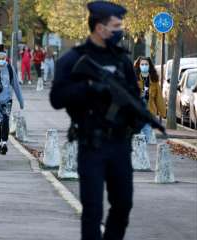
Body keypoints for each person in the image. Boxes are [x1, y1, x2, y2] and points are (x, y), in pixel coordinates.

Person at [49, 2, 145, 240]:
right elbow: (57, 98)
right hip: (91, 143)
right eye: (116, 26)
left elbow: (134, 96)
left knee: (123, 204)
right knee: (92, 210)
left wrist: (139, 118)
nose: (119, 30)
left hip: (120, 145)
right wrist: (89, 88)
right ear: (100, 28)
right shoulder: (73, 59)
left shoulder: (122, 60)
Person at [0, 51, 24, 155]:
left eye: (3, 58)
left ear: (6, 59)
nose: (1, 60)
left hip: (7, 100)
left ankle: (4, 143)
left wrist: (21, 101)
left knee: (5, 120)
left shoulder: (10, 69)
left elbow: (16, 85)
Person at [134, 56, 166, 142]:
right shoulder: (134, 80)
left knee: (147, 134)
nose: (144, 66)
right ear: (139, 66)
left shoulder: (154, 81)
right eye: (142, 64)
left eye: (146, 64)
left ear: (149, 66)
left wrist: (163, 112)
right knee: (138, 135)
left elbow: (159, 98)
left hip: (149, 112)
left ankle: (146, 152)